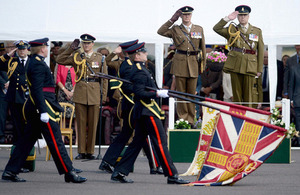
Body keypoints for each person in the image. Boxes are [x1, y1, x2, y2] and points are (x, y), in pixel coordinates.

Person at [1, 38, 86, 183]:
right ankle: (69, 172)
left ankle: (10, 171)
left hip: (37, 107)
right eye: (46, 47)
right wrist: (43, 111)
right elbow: (37, 90)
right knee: (55, 140)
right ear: (42, 49)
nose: (47, 49)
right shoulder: (38, 64)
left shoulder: (34, 61)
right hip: (42, 106)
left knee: (26, 141)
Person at [110, 42, 189, 184]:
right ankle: (172, 175)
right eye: (144, 52)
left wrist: (157, 91)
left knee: (137, 143)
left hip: (144, 111)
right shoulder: (139, 70)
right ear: (138, 55)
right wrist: (157, 93)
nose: (147, 54)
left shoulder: (140, 68)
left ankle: (119, 172)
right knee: (160, 141)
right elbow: (139, 92)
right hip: (147, 111)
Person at [99, 40, 163, 175]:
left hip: (133, 104)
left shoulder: (129, 64)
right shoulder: (128, 66)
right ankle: (154, 165)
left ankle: (108, 161)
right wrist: (142, 92)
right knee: (140, 134)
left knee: (131, 134)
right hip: (132, 104)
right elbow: (128, 87)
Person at [56, 34, 108, 160]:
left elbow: (105, 79)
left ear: (93, 44)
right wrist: (70, 49)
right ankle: (81, 151)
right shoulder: (76, 56)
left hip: (94, 92)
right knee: (81, 123)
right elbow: (59, 59)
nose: (86, 45)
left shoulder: (100, 58)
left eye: (88, 43)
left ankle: (90, 151)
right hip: (80, 92)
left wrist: (104, 95)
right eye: (84, 43)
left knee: (93, 123)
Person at [157, 6, 206, 125]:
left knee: (191, 93)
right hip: (180, 63)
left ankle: (192, 118)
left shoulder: (198, 29)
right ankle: (184, 119)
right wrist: (171, 20)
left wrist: (202, 64)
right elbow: (160, 31)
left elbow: (203, 48)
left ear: (191, 15)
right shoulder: (175, 29)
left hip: (193, 63)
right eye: (184, 15)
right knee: (181, 93)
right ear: (181, 16)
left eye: (188, 14)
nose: (187, 17)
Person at [213, 5, 264, 108]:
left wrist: (259, 69)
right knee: (236, 95)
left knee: (248, 95)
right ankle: (238, 117)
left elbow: (261, 50)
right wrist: (227, 19)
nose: (242, 17)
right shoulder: (232, 29)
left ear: (248, 16)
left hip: (250, 66)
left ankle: (248, 118)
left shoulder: (256, 31)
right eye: (240, 15)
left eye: (245, 15)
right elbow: (216, 28)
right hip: (235, 65)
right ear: (237, 17)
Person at [0, 40, 30, 145]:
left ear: (27, 50)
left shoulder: (32, 61)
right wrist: (8, 54)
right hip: (14, 96)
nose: (22, 52)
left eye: (23, 49)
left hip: (27, 97)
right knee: (16, 122)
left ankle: (26, 143)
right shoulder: (11, 61)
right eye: (19, 49)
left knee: (26, 121)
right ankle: (17, 145)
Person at [56, 45, 77, 144]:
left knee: (76, 117)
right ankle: (62, 139)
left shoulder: (77, 63)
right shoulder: (60, 63)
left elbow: (79, 78)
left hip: (75, 92)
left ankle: (77, 141)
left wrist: (72, 91)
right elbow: (57, 79)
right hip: (63, 92)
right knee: (63, 116)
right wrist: (66, 91)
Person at [289, 56, 300, 146]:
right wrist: (291, 99)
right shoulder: (294, 69)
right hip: (297, 100)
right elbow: (291, 85)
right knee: (298, 123)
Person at [0, 43, 8, 143]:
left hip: (13, 90)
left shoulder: (8, 60)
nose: (2, 53)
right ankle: (1, 134)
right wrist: (4, 83)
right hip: (2, 90)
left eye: (3, 51)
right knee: (1, 114)